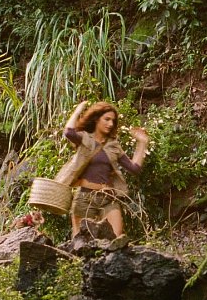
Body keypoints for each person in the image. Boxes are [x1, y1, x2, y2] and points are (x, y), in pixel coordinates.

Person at [55, 101, 149, 239]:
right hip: (85, 198)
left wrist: (142, 142)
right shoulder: (85, 138)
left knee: (116, 238)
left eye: (113, 121)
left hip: (108, 197)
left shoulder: (113, 145)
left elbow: (134, 168)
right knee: (82, 241)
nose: (110, 124)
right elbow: (69, 132)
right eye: (107, 119)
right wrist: (78, 110)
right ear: (96, 119)